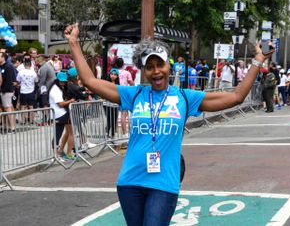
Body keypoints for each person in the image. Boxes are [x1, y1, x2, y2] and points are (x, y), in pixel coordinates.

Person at [65, 23, 273, 226]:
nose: (156, 72)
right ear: (144, 71)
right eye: (150, 67)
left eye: (160, 65)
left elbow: (236, 97)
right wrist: (73, 42)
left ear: (169, 66)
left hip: (164, 183)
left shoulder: (185, 97)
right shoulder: (134, 94)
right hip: (130, 182)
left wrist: (258, 61)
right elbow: (90, 81)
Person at [49, 72, 76, 160]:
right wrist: (71, 100)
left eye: (64, 81)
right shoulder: (55, 89)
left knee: (63, 133)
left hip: (60, 114)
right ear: (57, 80)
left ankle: (60, 152)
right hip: (60, 114)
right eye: (61, 81)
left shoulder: (57, 88)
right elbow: (60, 104)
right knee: (60, 134)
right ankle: (59, 154)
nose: (63, 83)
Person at [16, 58, 38, 123]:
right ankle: (31, 120)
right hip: (31, 91)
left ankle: (23, 120)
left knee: (23, 106)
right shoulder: (33, 73)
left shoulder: (21, 72)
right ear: (31, 65)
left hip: (23, 91)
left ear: (24, 65)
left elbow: (18, 81)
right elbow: (36, 81)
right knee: (31, 106)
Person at [0, 51, 17, 133]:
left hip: (6, 91)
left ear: (3, 57)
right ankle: (6, 126)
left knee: (8, 108)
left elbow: (9, 80)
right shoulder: (2, 66)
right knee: (6, 108)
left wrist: (3, 90)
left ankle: (12, 127)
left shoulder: (8, 66)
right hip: (4, 90)